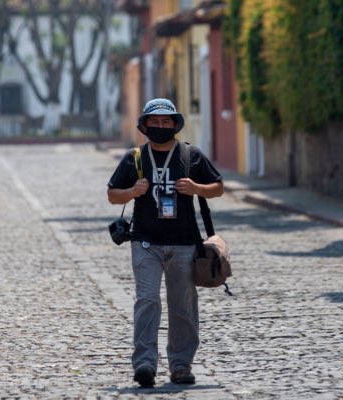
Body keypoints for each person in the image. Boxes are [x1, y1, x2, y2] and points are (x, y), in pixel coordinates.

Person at [107, 98, 224, 387]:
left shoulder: (190, 155)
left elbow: (218, 187)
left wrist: (197, 188)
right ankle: (145, 363)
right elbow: (112, 195)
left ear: (175, 125)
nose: (160, 127)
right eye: (154, 122)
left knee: (182, 305)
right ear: (145, 126)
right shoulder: (134, 158)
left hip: (184, 243)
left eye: (166, 122)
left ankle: (181, 365)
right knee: (147, 301)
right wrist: (133, 191)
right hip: (145, 242)